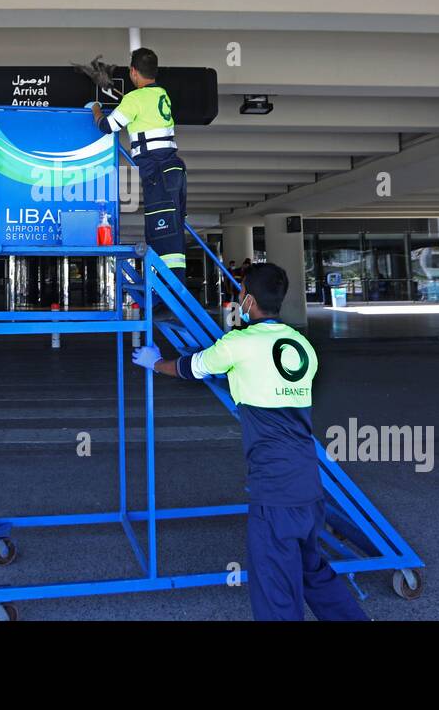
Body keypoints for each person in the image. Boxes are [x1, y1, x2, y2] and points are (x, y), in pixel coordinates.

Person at [131, 262, 368, 621]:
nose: (238, 299)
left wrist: (156, 362)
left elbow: (193, 367)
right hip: (308, 484)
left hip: (274, 489)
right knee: (312, 569)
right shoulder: (301, 344)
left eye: (240, 293)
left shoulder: (238, 343)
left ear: (250, 300)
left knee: (275, 587)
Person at [91, 47, 187, 282]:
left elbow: (107, 126)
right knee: (174, 229)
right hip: (174, 170)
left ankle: (168, 294)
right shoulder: (161, 93)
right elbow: (139, 108)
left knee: (161, 230)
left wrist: (94, 108)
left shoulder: (134, 99)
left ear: (133, 72)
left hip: (157, 171)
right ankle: (177, 290)